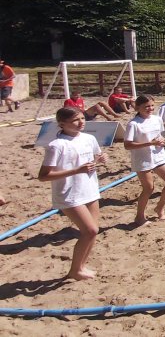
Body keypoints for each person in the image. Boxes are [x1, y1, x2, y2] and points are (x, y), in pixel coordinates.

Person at [38, 106, 107, 280]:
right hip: (69, 193)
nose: (81, 122)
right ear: (62, 124)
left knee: (93, 231)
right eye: (75, 120)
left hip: (89, 188)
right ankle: (75, 270)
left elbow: (94, 157)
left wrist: (101, 159)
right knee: (89, 231)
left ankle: (80, 267)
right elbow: (44, 176)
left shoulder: (89, 138)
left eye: (82, 118)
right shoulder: (56, 145)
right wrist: (76, 170)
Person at [124, 95, 165, 225]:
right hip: (142, 158)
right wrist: (149, 143)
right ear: (138, 107)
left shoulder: (157, 119)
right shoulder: (133, 124)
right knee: (148, 188)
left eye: (152, 105)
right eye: (146, 106)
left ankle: (160, 207)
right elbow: (127, 145)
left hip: (158, 156)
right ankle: (140, 216)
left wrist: (163, 141)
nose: (150, 108)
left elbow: (159, 136)